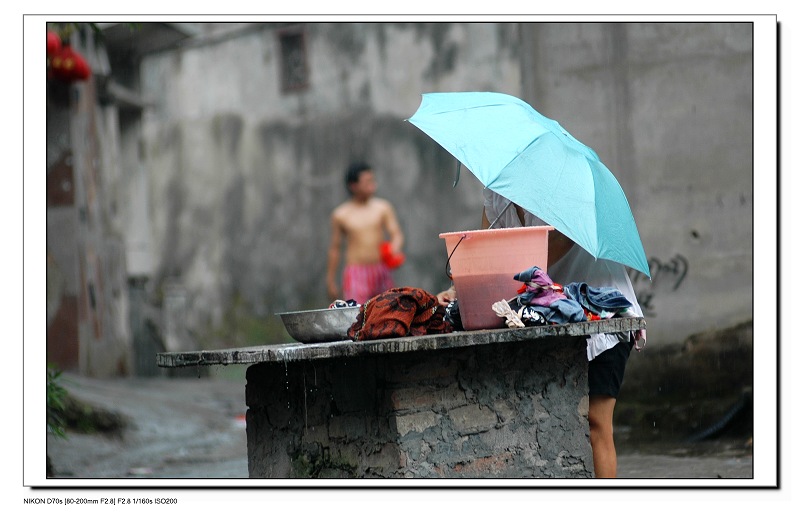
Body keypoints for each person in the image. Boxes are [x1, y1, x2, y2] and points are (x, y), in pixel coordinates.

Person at [437, 188, 644, 478]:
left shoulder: (562, 191)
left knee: (596, 420)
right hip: (553, 319)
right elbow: (483, 251)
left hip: (600, 309)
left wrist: (503, 272)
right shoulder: (495, 196)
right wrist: (457, 289)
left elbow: (553, 247)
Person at [327, 162, 405, 305]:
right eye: (367, 181)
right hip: (356, 273)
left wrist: (394, 248)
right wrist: (331, 279)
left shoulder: (382, 207)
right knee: (357, 315)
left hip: (380, 269)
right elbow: (335, 249)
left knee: (387, 310)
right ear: (353, 185)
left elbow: (396, 233)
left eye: (372, 180)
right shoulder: (341, 214)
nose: (372, 184)